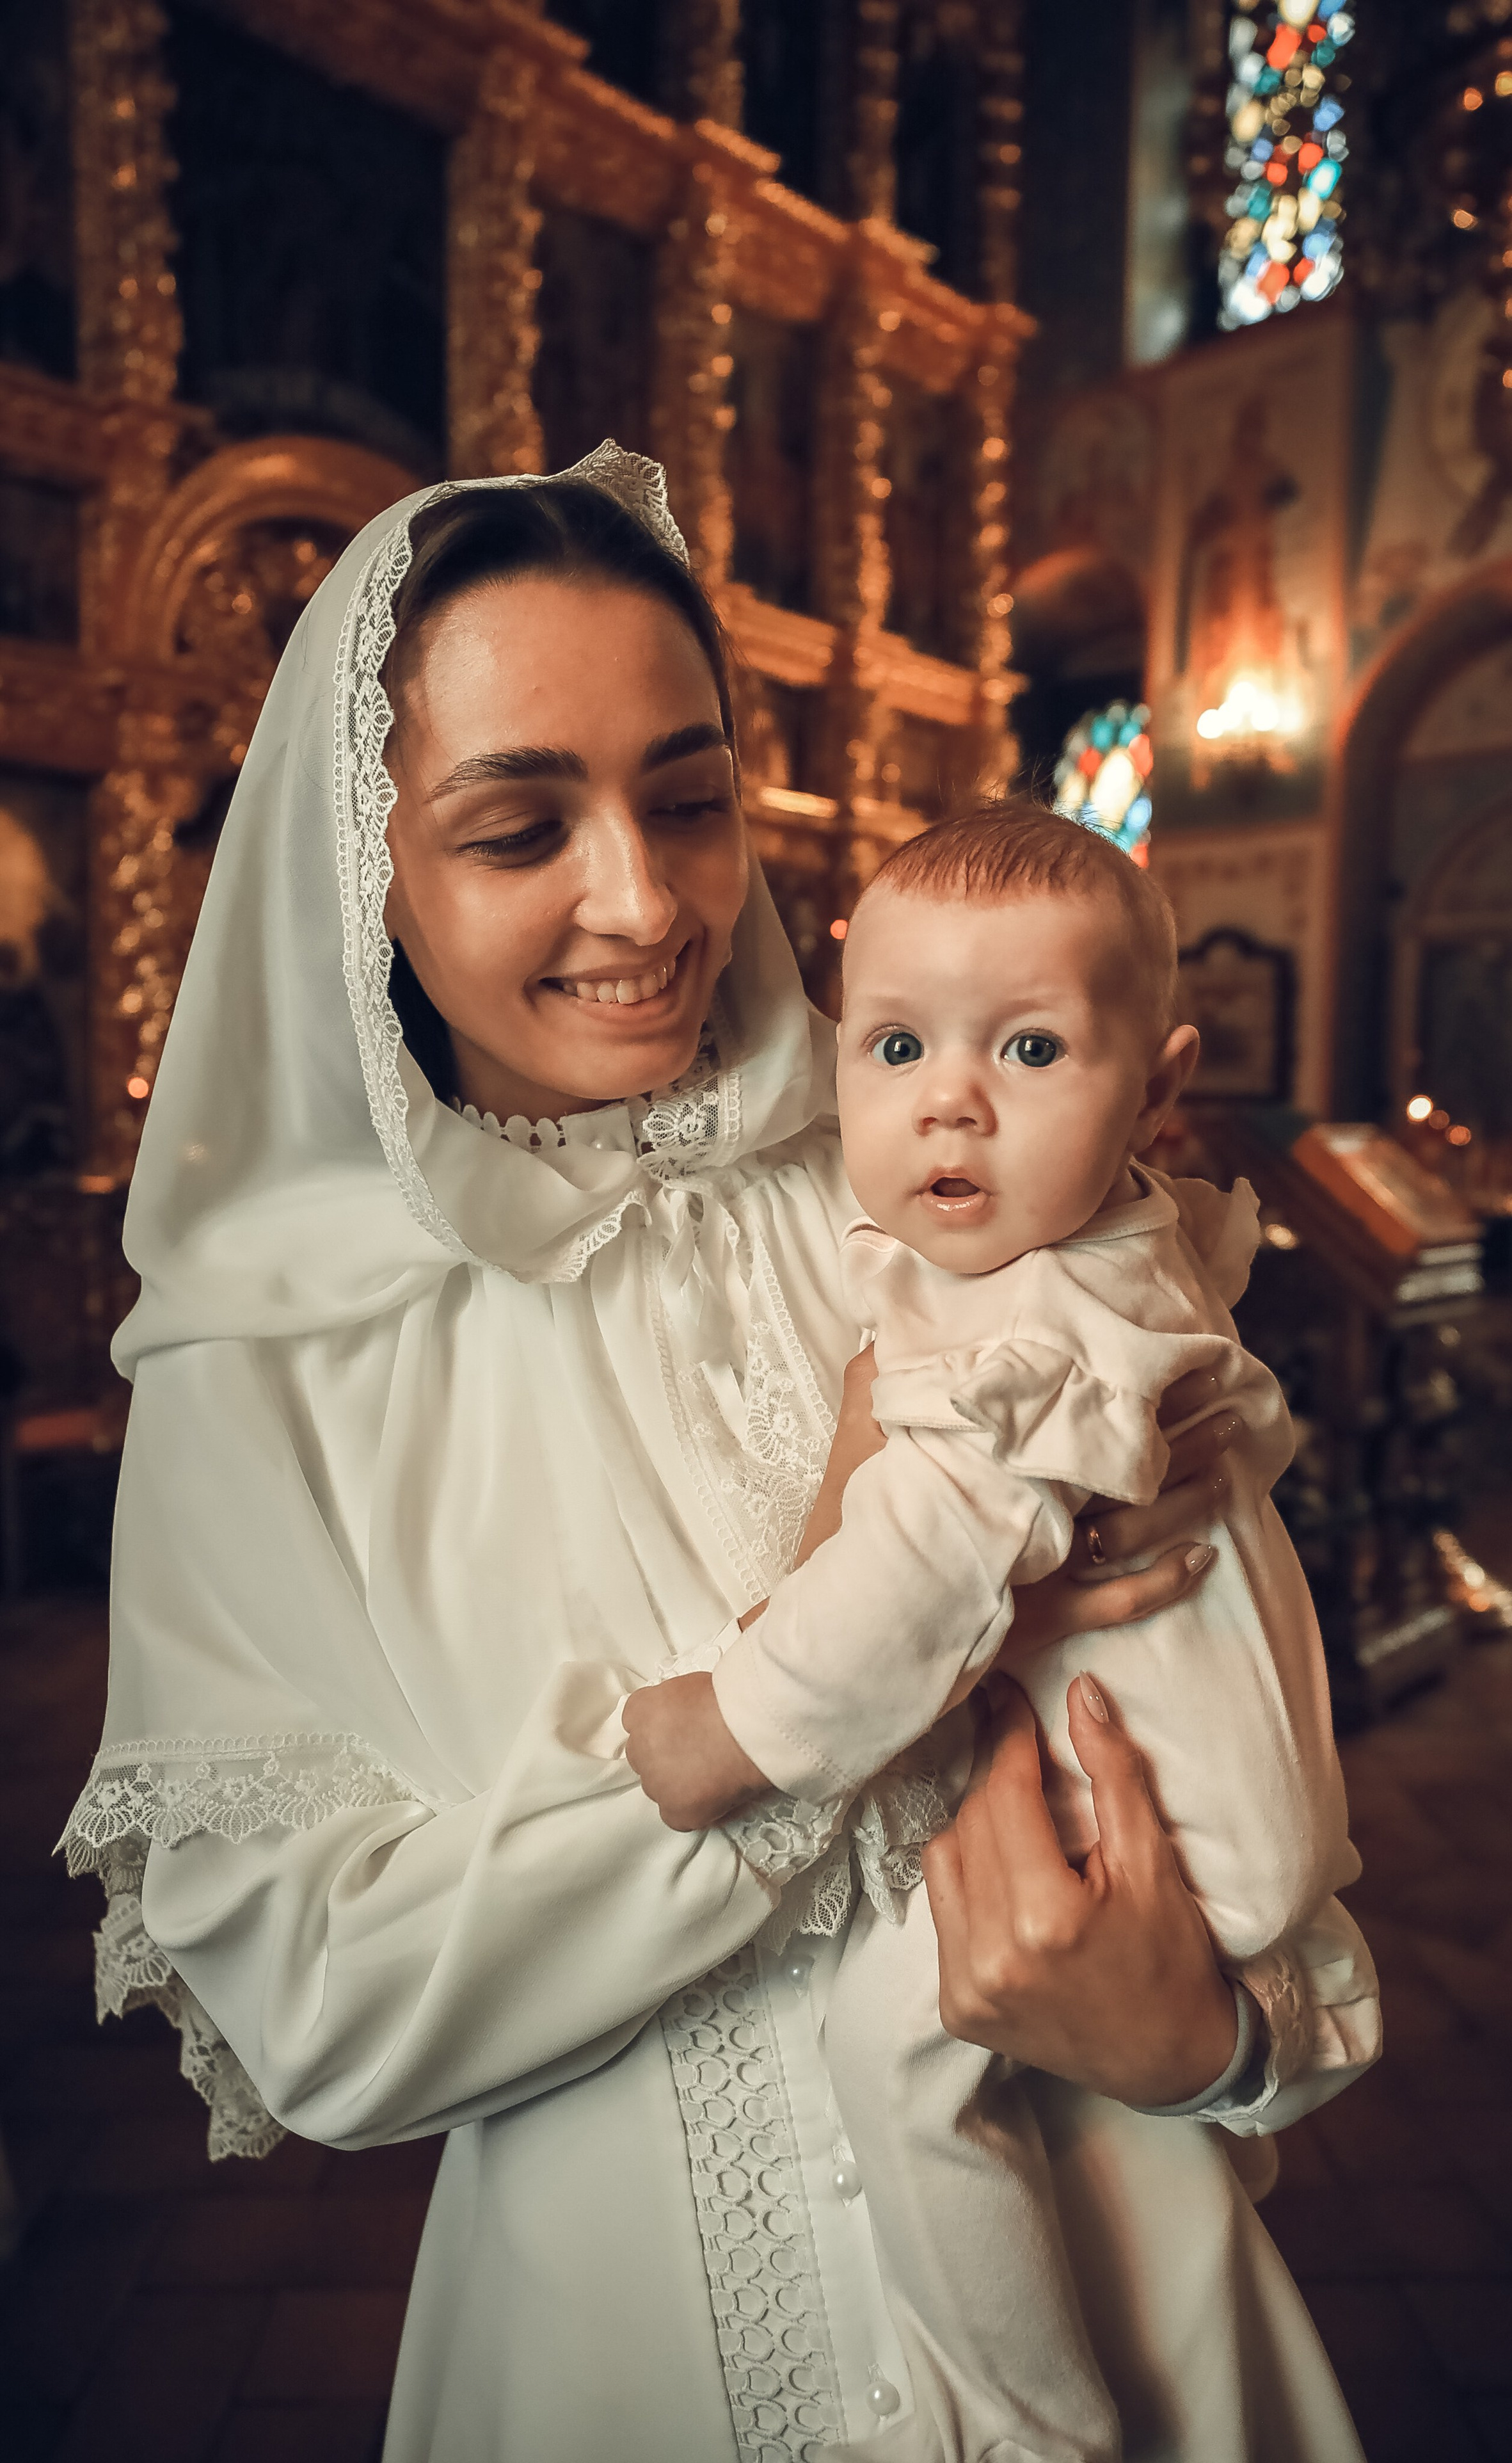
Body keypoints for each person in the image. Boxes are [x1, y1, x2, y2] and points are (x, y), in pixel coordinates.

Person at [59, 445, 1379, 2462]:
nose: (648, 899)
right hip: (624, 2353)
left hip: (1128, 2279)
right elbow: (319, 2005)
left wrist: (1209, 2045)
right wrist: (794, 1744)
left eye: (689, 799)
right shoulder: (270, 1364)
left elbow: (1231, 1777)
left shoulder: (910, 1206)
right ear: (366, 872)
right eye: (519, 828)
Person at [623, 802, 1351, 2459]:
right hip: (1173, 1794)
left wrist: (731, 1725)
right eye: (894, 1044)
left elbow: (920, 1572)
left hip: (1138, 1839)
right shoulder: (1094, 1248)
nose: (949, 1098)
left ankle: (1034, 2427)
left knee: (898, 2063)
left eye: (1028, 1047)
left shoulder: (1033, 1330)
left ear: (1157, 1086)